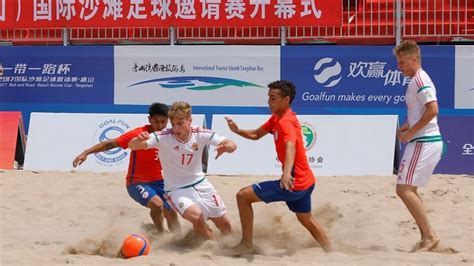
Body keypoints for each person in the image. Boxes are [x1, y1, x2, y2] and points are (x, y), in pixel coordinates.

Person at [225, 80, 333, 253]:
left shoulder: (285, 122)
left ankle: (246, 244)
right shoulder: (278, 118)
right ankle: (331, 251)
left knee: (242, 196)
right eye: (269, 97)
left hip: (293, 182)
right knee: (307, 220)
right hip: (307, 181)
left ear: (286, 100)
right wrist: (237, 131)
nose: (269, 101)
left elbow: (290, 145)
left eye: (273, 98)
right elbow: (255, 135)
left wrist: (286, 173)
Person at [128, 101, 237, 241]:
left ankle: (231, 246)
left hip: (201, 184)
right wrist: (138, 140)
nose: (176, 128)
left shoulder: (200, 133)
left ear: (189, 120)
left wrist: (227, 147)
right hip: (176, 189)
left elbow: (231, 144)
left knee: (225, 225)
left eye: (180, 123)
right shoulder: (163, 136)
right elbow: (133, 146)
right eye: (173, 124)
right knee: (197, 218)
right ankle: (215, 247)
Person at [72, 103, 180, 234]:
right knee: (157, 205)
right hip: (136, 183)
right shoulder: (139, 134)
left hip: (159, 182)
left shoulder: (169, 136)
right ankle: (161, 234)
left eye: (163, 122)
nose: (160, 126)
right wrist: (86, 153)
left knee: (171, 211)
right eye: (156, 121)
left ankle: (178, 238)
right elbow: (110, 144)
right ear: (149, 119)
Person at [393, 40, 443, 251]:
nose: (399, 66)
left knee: (404, 189)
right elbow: (420, 113)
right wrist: (405, 128)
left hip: (424, 141)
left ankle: (430, 236)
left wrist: (411, 133)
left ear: (414, 60)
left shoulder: (420, 79)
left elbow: (433, 110)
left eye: (402, 62)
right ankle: (427, 238)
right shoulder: (416, 80)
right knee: (409, 190)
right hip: (422, 139)